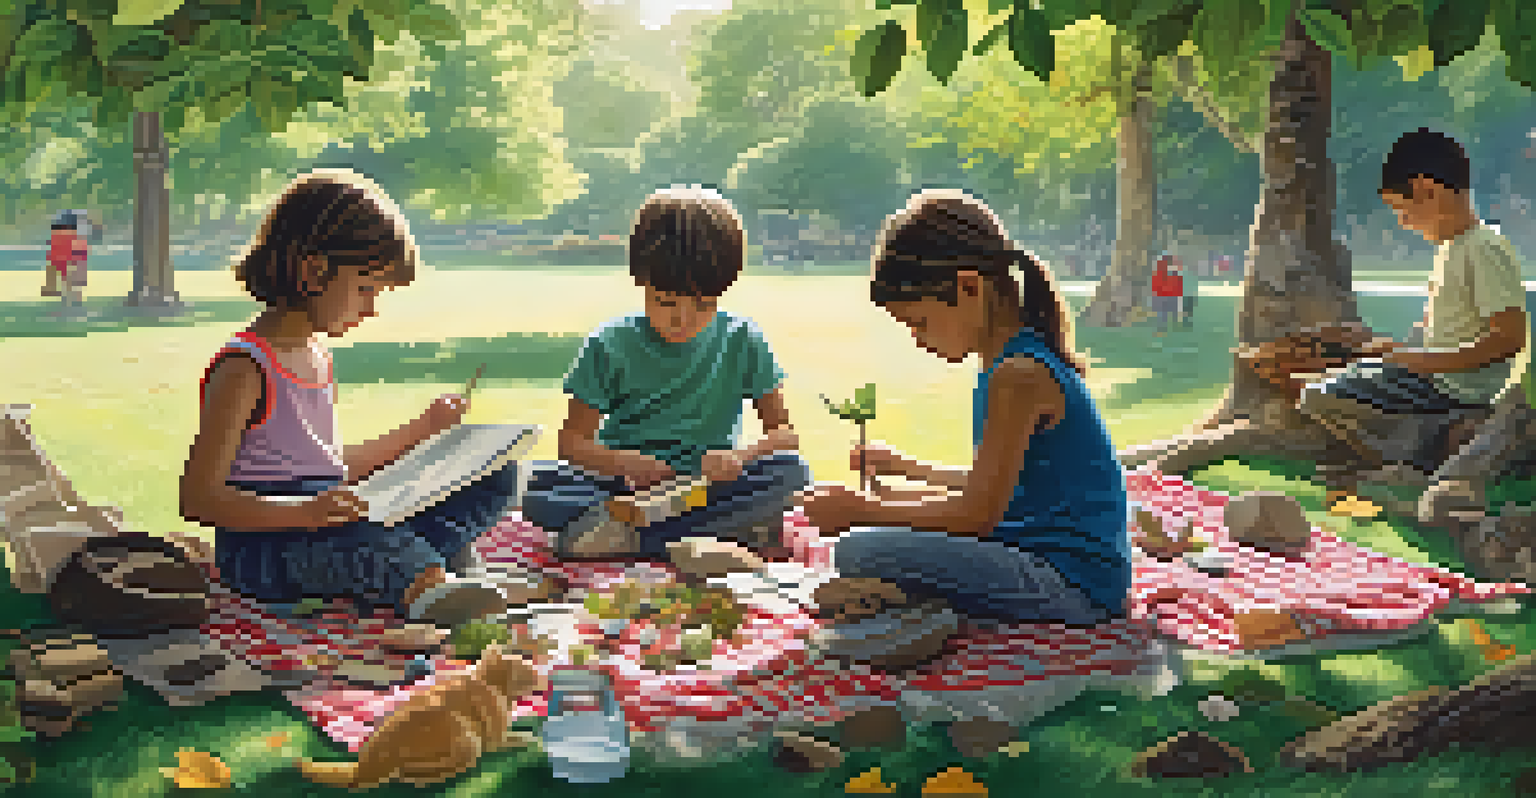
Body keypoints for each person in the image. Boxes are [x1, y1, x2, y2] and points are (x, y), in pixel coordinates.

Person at [801, 189, 1132, 668]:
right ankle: (908, 597)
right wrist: (908, 471)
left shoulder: (1017, 376)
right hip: (1050, 560)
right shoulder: (1010, 364)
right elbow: (1002, 487)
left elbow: (977, 514)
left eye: (920, 322)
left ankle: (911, 604)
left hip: (1073, 587)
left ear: (969, 288)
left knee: (859, 548)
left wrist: (862, 510)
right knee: (870, 543)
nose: (917, 340)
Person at [180, 169, 514, 628]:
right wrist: (304, 513)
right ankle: (434, 586)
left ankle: (424, 570)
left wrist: (425, 431)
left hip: (326, 523)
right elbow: (199, 498)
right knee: (368, 539)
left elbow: (328, 466)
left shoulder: (316, 356)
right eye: (365, 289)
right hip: (266, 549)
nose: (372, 308)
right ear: (313, 271)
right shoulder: (245, 368)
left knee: (496, 475)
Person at [520, 185, 811, 559]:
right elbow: (572, 444)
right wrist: (626, 463)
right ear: (639, 279)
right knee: (536, 486)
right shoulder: (610, 343)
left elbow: (785, 435)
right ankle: (718, 530)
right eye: (665, 302)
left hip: (705, 487)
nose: (683, 320)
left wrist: (742, 455)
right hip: (624, 489)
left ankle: (635, 539)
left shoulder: (743, 339)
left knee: (791, 472)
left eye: (703, 305)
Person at [1296, 129, 1528, 493]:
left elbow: (1509, 338)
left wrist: (1421, 362)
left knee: (1318, 395)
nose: (1403, 222)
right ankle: (1425, 443)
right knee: (1338, 378)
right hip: (1436, 379)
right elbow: (1439, 330)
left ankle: (1419, 455)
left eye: (1402, 211)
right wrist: (1394, 350)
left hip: (1454, 386)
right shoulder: (1452, 248)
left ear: (1427, 191)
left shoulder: (1483, 249)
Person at [1150, 252, 1181, 335]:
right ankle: (1173, 327)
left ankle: (1162, 329)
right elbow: (1178, 282)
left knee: (1163, 313)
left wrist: (1154, 292)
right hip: (1170, 294)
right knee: (1171, 312)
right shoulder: (1173, 269)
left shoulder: (1160, 267)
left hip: (1163, 294)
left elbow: (1156, 280)